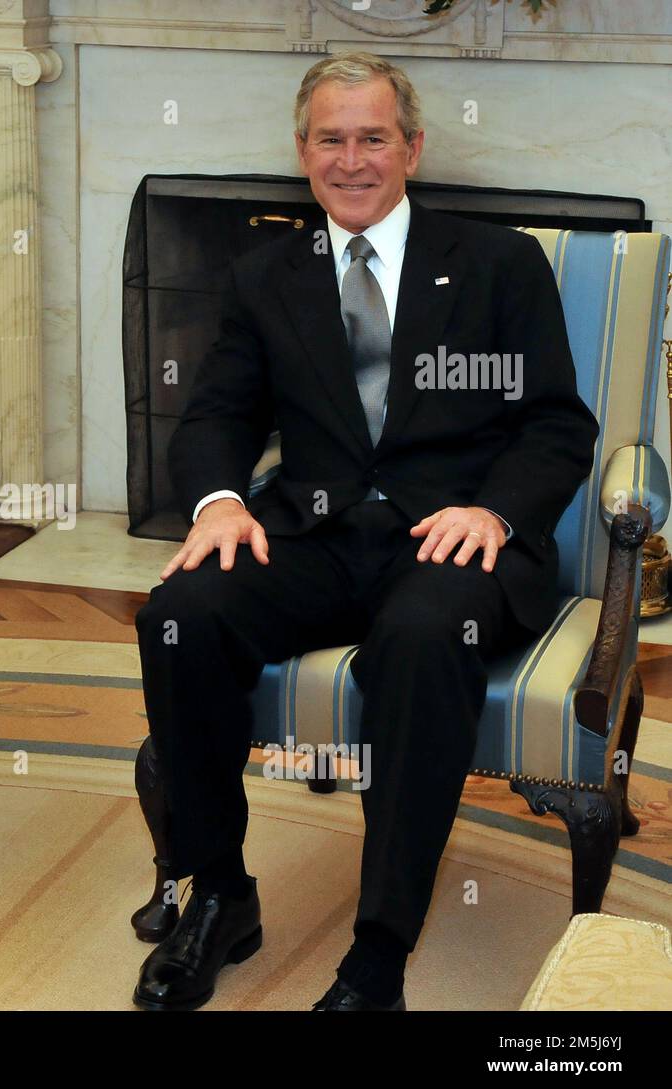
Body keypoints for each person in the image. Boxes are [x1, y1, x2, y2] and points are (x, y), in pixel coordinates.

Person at [133, 53, 598, 1011]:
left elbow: (557, 425)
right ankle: (220, 895)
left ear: (412, 148)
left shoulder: (500, 262)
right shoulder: (267, 274)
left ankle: (379, 951)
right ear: (303, 152)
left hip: (453, 541)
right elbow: (216, 415)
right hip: (315, 534)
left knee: (424, 638)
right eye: (331, 139)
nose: (352, 160)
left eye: (373, 137)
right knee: (180, 613)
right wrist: (220, 502)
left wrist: (495, 512)